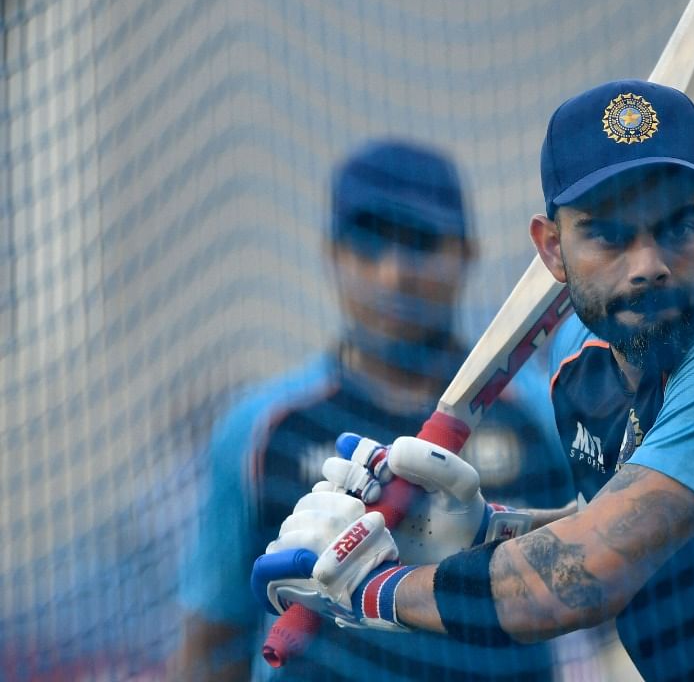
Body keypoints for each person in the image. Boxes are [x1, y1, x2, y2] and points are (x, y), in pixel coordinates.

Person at [251, 81, 694, 681]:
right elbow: (639, 525)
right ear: (552, 249)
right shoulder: (585, 366)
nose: (648, 264)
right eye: (610, 236)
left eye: (677, 225)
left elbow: (579, 579)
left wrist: (370, 590)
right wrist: (482, 532)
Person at [170, 139, 574, 681]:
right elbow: (210, 643)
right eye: (368, 246)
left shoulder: (544, 415)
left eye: (420, 243)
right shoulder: (261, 431)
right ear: (332, 256)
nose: (394, 275)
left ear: (467, 253)